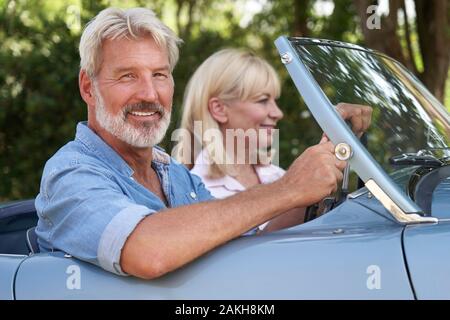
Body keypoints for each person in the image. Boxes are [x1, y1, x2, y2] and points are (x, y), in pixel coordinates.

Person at [34, 7, 369, 280]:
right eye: (128, 76)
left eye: (160, 75)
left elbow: (245, 246)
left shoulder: (175, 174)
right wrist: (289, 188)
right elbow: (148, 251)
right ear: (88, 88)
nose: (150, 94)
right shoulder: (71, 173)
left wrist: (326, 152)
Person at [176, 48, 371, 232]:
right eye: (262, 100)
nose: (277, 113)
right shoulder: (194, 193)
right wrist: (297, 189)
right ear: (219, 109)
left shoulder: (276, 175)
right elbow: (250, 256)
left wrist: (336, 141)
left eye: (275, 101)